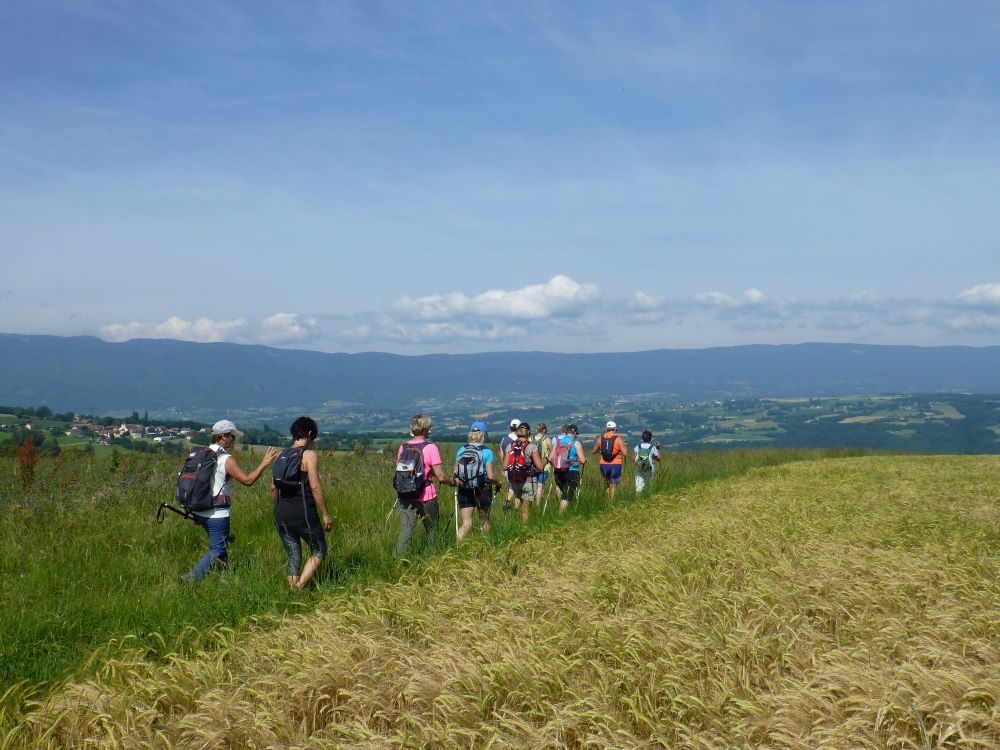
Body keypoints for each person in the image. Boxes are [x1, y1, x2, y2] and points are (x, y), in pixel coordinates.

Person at [184, 420, 278, 581]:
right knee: (218, 550)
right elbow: (248, 481)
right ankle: (191, 579)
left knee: (223, 544)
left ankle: (223, 577)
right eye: (232, 437)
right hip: (217, 513)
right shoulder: (225, 459)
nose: (234, 440)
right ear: (223, 436)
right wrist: (264, 463)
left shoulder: (201, 454)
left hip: (199, 509)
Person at [271, 416, 332, 590]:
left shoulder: (281, 456)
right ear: (310, 433)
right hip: (303, 513)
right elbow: (315, 486)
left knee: (293, 553)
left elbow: (273, 488)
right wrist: (325, 514)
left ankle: (293, 591)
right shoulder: (308, 455)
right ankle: (299, 587)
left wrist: (278, 509)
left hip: (281, 513)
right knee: (319, 550)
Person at [394, 413, 456, 557]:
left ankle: (397, 562)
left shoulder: (403, 447)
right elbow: (440, 476)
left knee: (405, 532)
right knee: (431, 531)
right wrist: (453, 482)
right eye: (429, 427)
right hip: (426, 495)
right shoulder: (431, 447)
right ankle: (431, 560)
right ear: (425, 429)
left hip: (406, 495)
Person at [452, 421, 500, 540]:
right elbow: (490, 476)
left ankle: (457, 547)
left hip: (464, 488)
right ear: (483, 434)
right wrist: (498, 484)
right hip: (483, 489)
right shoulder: (487, 451)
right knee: (484, 522)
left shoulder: (462, 450)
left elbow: (455, 472)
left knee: (466, 523)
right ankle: (484, 547)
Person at [503, 423, 546, 523]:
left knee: (520, 503)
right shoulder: (532, 446)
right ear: (528, 433)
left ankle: (517, 525)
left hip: (514, 481)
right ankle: (524, 528)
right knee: (526, 510)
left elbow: (504, 466)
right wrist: (546, 459)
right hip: (528, 480)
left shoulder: (510, 446)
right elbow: (540, 467)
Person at [550, 424, 586, 512]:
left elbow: (550, 458)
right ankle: (560, 515)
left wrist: (560, 464)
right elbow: (582, 461)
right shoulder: (576, 443)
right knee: (566, 496)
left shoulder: (558, 442)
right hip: (571, 472)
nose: (576, 436)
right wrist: (584, 459)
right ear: (574, 433)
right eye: (576, 434)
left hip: (558, 472)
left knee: (565, 493)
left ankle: (565, 511)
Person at [592, 420, 626, 501]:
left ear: (606, 429)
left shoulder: (600, 438)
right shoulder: (618, 439)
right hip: (615, 464)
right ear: (614, 429)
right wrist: (625, 446)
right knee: (613, 484)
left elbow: (593, 451)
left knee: (606, 483)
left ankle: (606, 501)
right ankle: (612, 502)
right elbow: (624, 453)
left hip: (603, 464)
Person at [499, 418, 521, 510]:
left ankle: (509, 505)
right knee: (517, 490)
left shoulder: (504, 439)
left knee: (512, 487)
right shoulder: (519, 440)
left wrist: (503, 467)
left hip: (506, 467)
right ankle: (514, 508)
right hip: (517, 468)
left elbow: (501, 455)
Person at [633, 430, 662, 494]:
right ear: (650, 438)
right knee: (649, 484)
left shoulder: (638, 446)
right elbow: (658, 459)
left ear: (642, 438)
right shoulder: (652, 447)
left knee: (639, 485)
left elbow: (633, 458)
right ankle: (648, 496)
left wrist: (640, 462)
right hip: (649, 467)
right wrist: (657, 448)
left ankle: (638, 497)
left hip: (639, 467)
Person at [531, 422, 551, 506]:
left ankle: (532, 503)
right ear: (544, 430)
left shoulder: (531, 439)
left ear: (537, 429)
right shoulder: (547, 439)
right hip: (544, 467)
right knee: (540, 487)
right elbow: (552, 452)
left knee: (533, 487)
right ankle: (538, 505)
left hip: (533, 466)